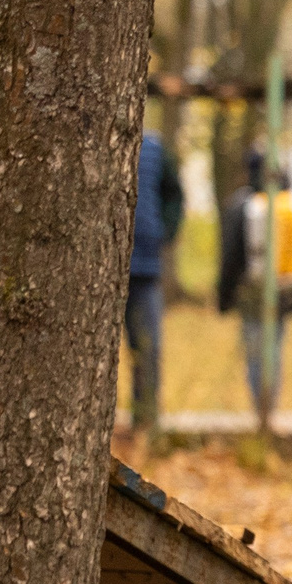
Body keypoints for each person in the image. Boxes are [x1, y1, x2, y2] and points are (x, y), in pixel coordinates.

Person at [216, 148, 292, 428]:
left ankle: (261, 414)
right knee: (274, 349)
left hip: (252, 292)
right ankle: (270, 411)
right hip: (285, 292)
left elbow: (231, 255)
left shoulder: (243, 205)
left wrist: (224, 296)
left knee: (256, 351)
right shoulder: (290, 205)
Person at [124, 129, 184, 434]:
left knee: (147, 348)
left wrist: (164, 232)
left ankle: (145, 421)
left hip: (145, 267)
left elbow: (175, 194)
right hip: (101, 274)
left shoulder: (157, 149)